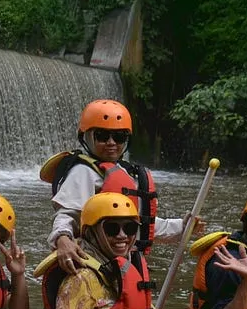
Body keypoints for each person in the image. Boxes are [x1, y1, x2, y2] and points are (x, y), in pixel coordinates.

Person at [39, 192, 229, 309]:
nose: (122, 236)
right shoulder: (81, 277)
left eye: (129, 228)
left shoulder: (124, 269)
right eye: (112, 228)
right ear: (91, 232)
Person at [41, 99, 204, 275]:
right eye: (102, 136)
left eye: (119, 137)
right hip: (94, 262)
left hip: (120, 263)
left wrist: (182, 226)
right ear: (86, 137)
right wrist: (62, 239)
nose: (111, 142)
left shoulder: (125, 174)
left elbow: (139, 225)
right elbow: (66, 214)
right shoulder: (82, 172)